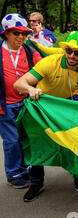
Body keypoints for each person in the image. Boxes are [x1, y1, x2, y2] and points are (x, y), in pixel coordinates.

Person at [14, 31, 78, 202]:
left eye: (77, 53)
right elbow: (18, 83)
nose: (72, 56)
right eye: (69, 51)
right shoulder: (50, 62)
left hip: (64, 109)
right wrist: (31, 89)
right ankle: (36, 183)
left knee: (74, 143)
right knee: (38, 145)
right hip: (43, 108)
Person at [0, 14, 42, 189]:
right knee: (11, 141)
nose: (20, 37)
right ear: (6, 33)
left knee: (25, 138)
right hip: (5, 105)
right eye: (15, 33)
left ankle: (24, 168)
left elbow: (45, 69)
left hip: (26, 104)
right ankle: (13, 173)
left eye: (24, 33)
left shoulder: (31, 52)